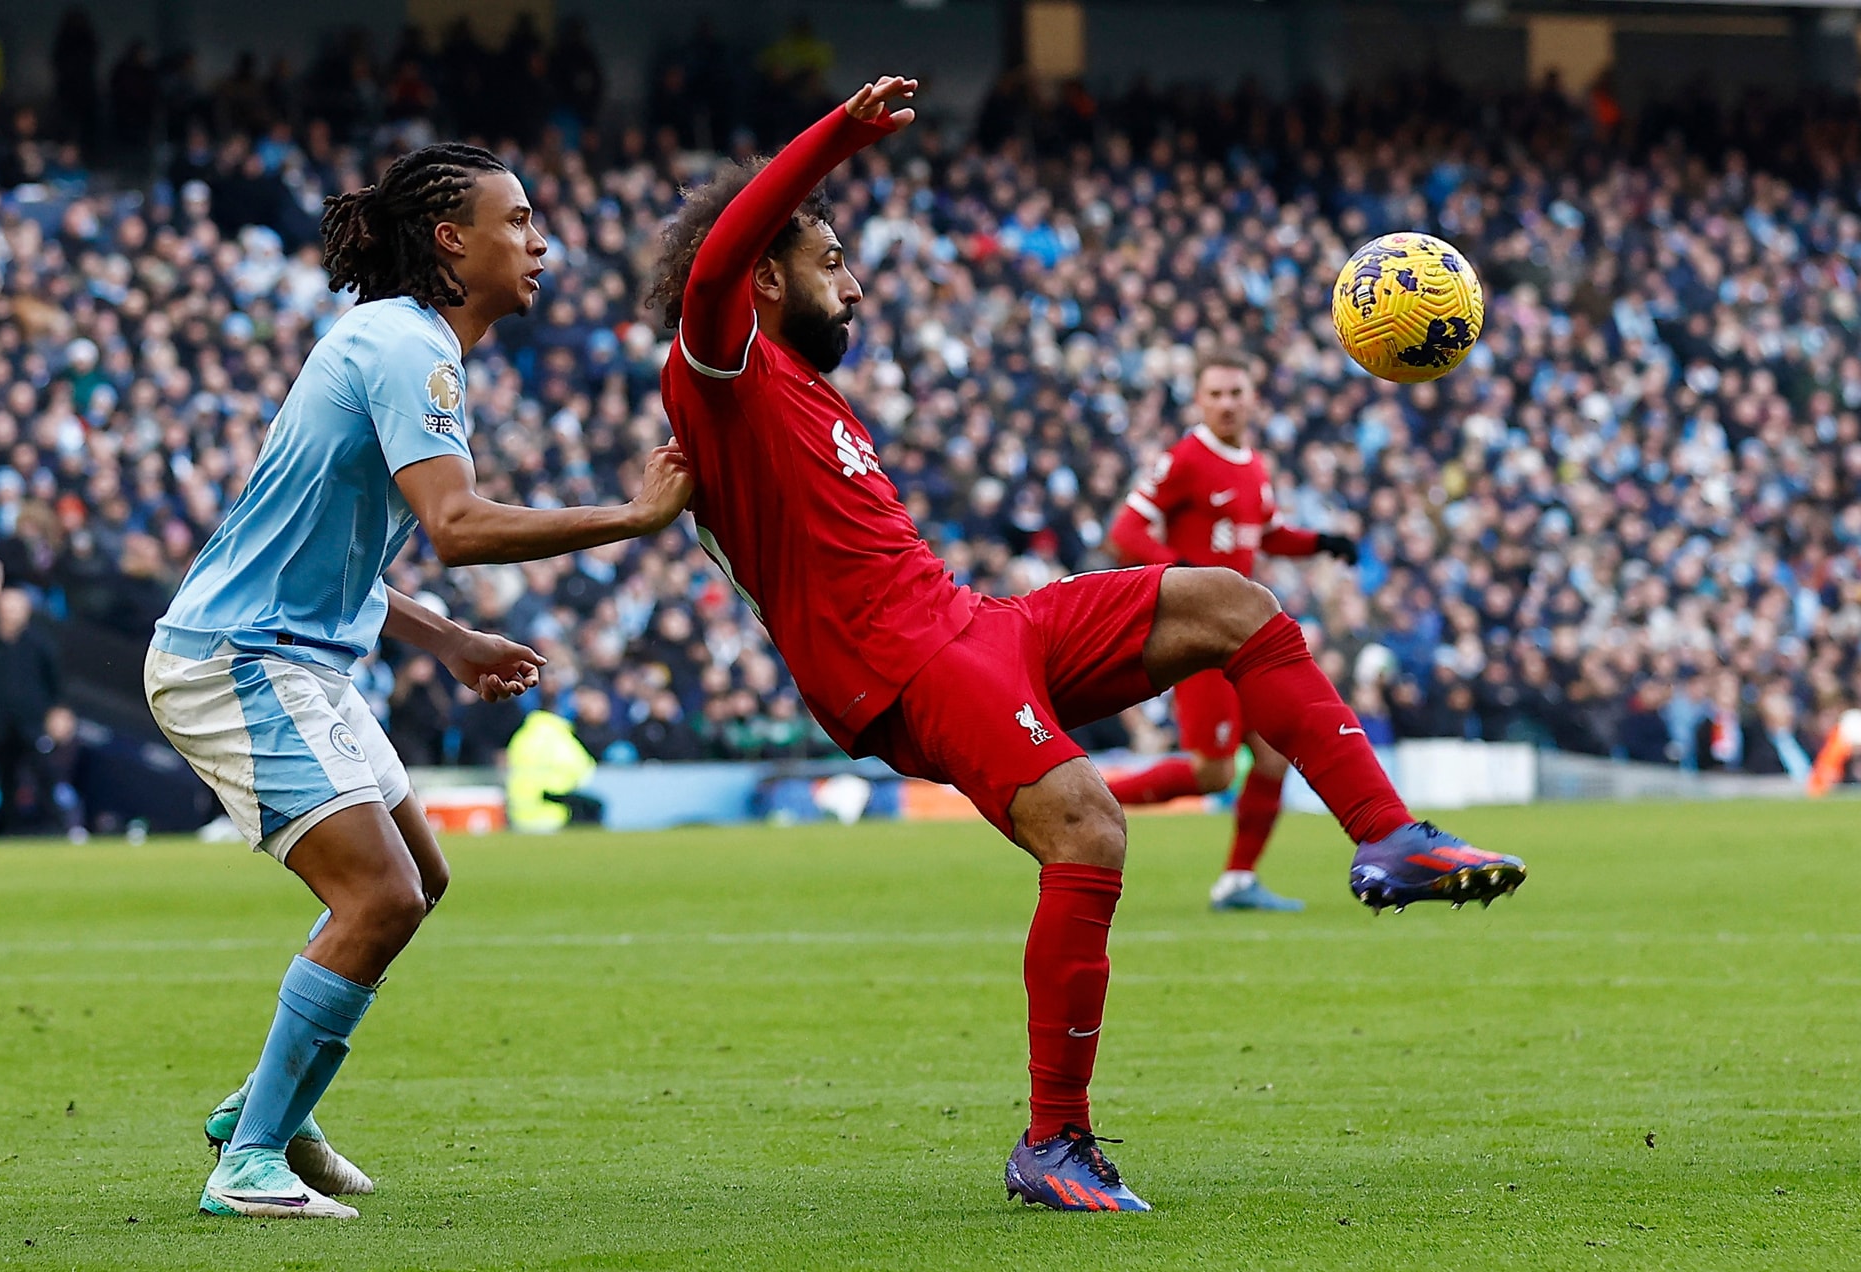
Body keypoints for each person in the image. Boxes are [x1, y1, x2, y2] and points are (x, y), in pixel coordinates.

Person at [650, 76, 1527, 1214]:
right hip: (902, 662)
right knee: (1090, 825)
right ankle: (1053, 1141)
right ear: (768, 273)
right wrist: (835, 143)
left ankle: (1389, 836)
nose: (856, 284)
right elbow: (714, 261)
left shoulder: (810, 392)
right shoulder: (720, 373)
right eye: (830, 261)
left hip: (970, 621)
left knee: (1234, 603)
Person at [146, 142, 693, 1220]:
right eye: (520, 221)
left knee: (420, 880)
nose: (542, 243)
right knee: (380, 893)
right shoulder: (411, 351)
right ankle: (248, 1160)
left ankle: (265, 1103)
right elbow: (454, 526)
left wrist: (449, 641)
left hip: (289, 653)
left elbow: (334, 546)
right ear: (452, 239)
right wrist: (630, 518)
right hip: (240, 663)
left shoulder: (399, 344)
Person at [1102, 352, 1360, 913]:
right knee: (1211, 772)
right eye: (1214, 393)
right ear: (1198, 400)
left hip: (1240, 633)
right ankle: (1080, 799)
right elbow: (1124, 531)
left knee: (1271, 756)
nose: (1225, 403)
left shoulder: (1252, 465)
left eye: (1235, 393)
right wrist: (1183, 574)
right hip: (1198, 635)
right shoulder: (1184, 460)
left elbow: (1265, 533)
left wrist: (1320, 543)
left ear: (1252, 398)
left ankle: (1238, 880)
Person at [0, 588, 61, 836]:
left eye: (16, 607)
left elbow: (54, 681)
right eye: (7, 607)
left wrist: (55, 712)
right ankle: (9, 830)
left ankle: (57, 828)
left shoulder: (39, 644)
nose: (11, 613)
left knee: (44, 775)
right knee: (4, 779)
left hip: (32, 724)